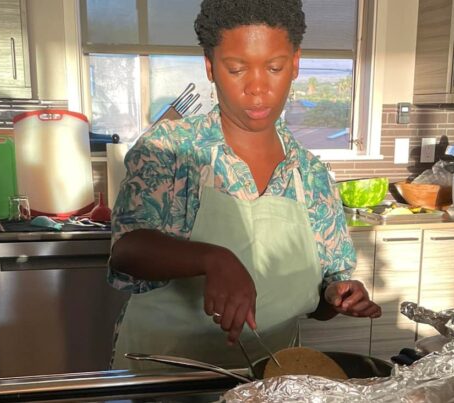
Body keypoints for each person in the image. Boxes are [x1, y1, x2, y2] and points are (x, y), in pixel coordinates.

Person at [109, 0, 381, 371]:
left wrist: (338, 297)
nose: (257, 88)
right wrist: (213, 258)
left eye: (274, 67)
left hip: (270, 379)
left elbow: (319, 302)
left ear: (296, 63)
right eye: (236, 69)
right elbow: (128, 249)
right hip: (163, 377)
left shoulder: (311, 174)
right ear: (210, 66)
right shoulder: (170, 148)